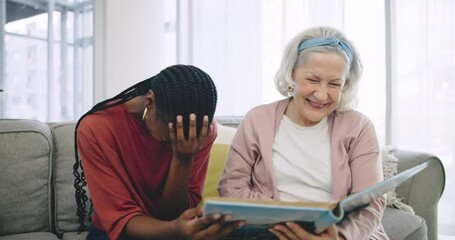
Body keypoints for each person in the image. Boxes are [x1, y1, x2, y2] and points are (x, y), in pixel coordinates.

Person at [218, 26, 389, 240]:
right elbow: (230, 187)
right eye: (313, 80)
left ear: (345, 85)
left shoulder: (359, 127)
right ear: (292, 73)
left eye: (334, 84)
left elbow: (371, 202)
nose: (321, 94)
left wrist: (340, 237)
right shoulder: (257, 119)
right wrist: (286, 215)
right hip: (269, 229)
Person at [73, 64, 244, 240]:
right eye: (171, 138)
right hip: (118, 233)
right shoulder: (97, 128)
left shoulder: (201, 132)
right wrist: (176, 229)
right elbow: (122, 220)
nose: (182, 141)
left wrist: (183, 159)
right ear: (150, 103)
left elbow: (173, 213)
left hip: (177, 228)